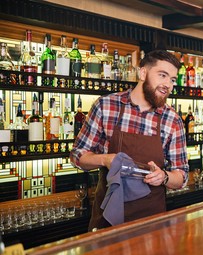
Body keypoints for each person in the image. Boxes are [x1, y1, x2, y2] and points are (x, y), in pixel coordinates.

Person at [70, 49, 189, 231]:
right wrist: (105, 159)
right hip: (107, 220)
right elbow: (78, 156)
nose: (168, 84)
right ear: (143, 73)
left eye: (172, 79)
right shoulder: (106, 106)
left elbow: (181, 176)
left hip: (151, 222)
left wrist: (164, 177)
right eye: (162, 75)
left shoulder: (172, 120)